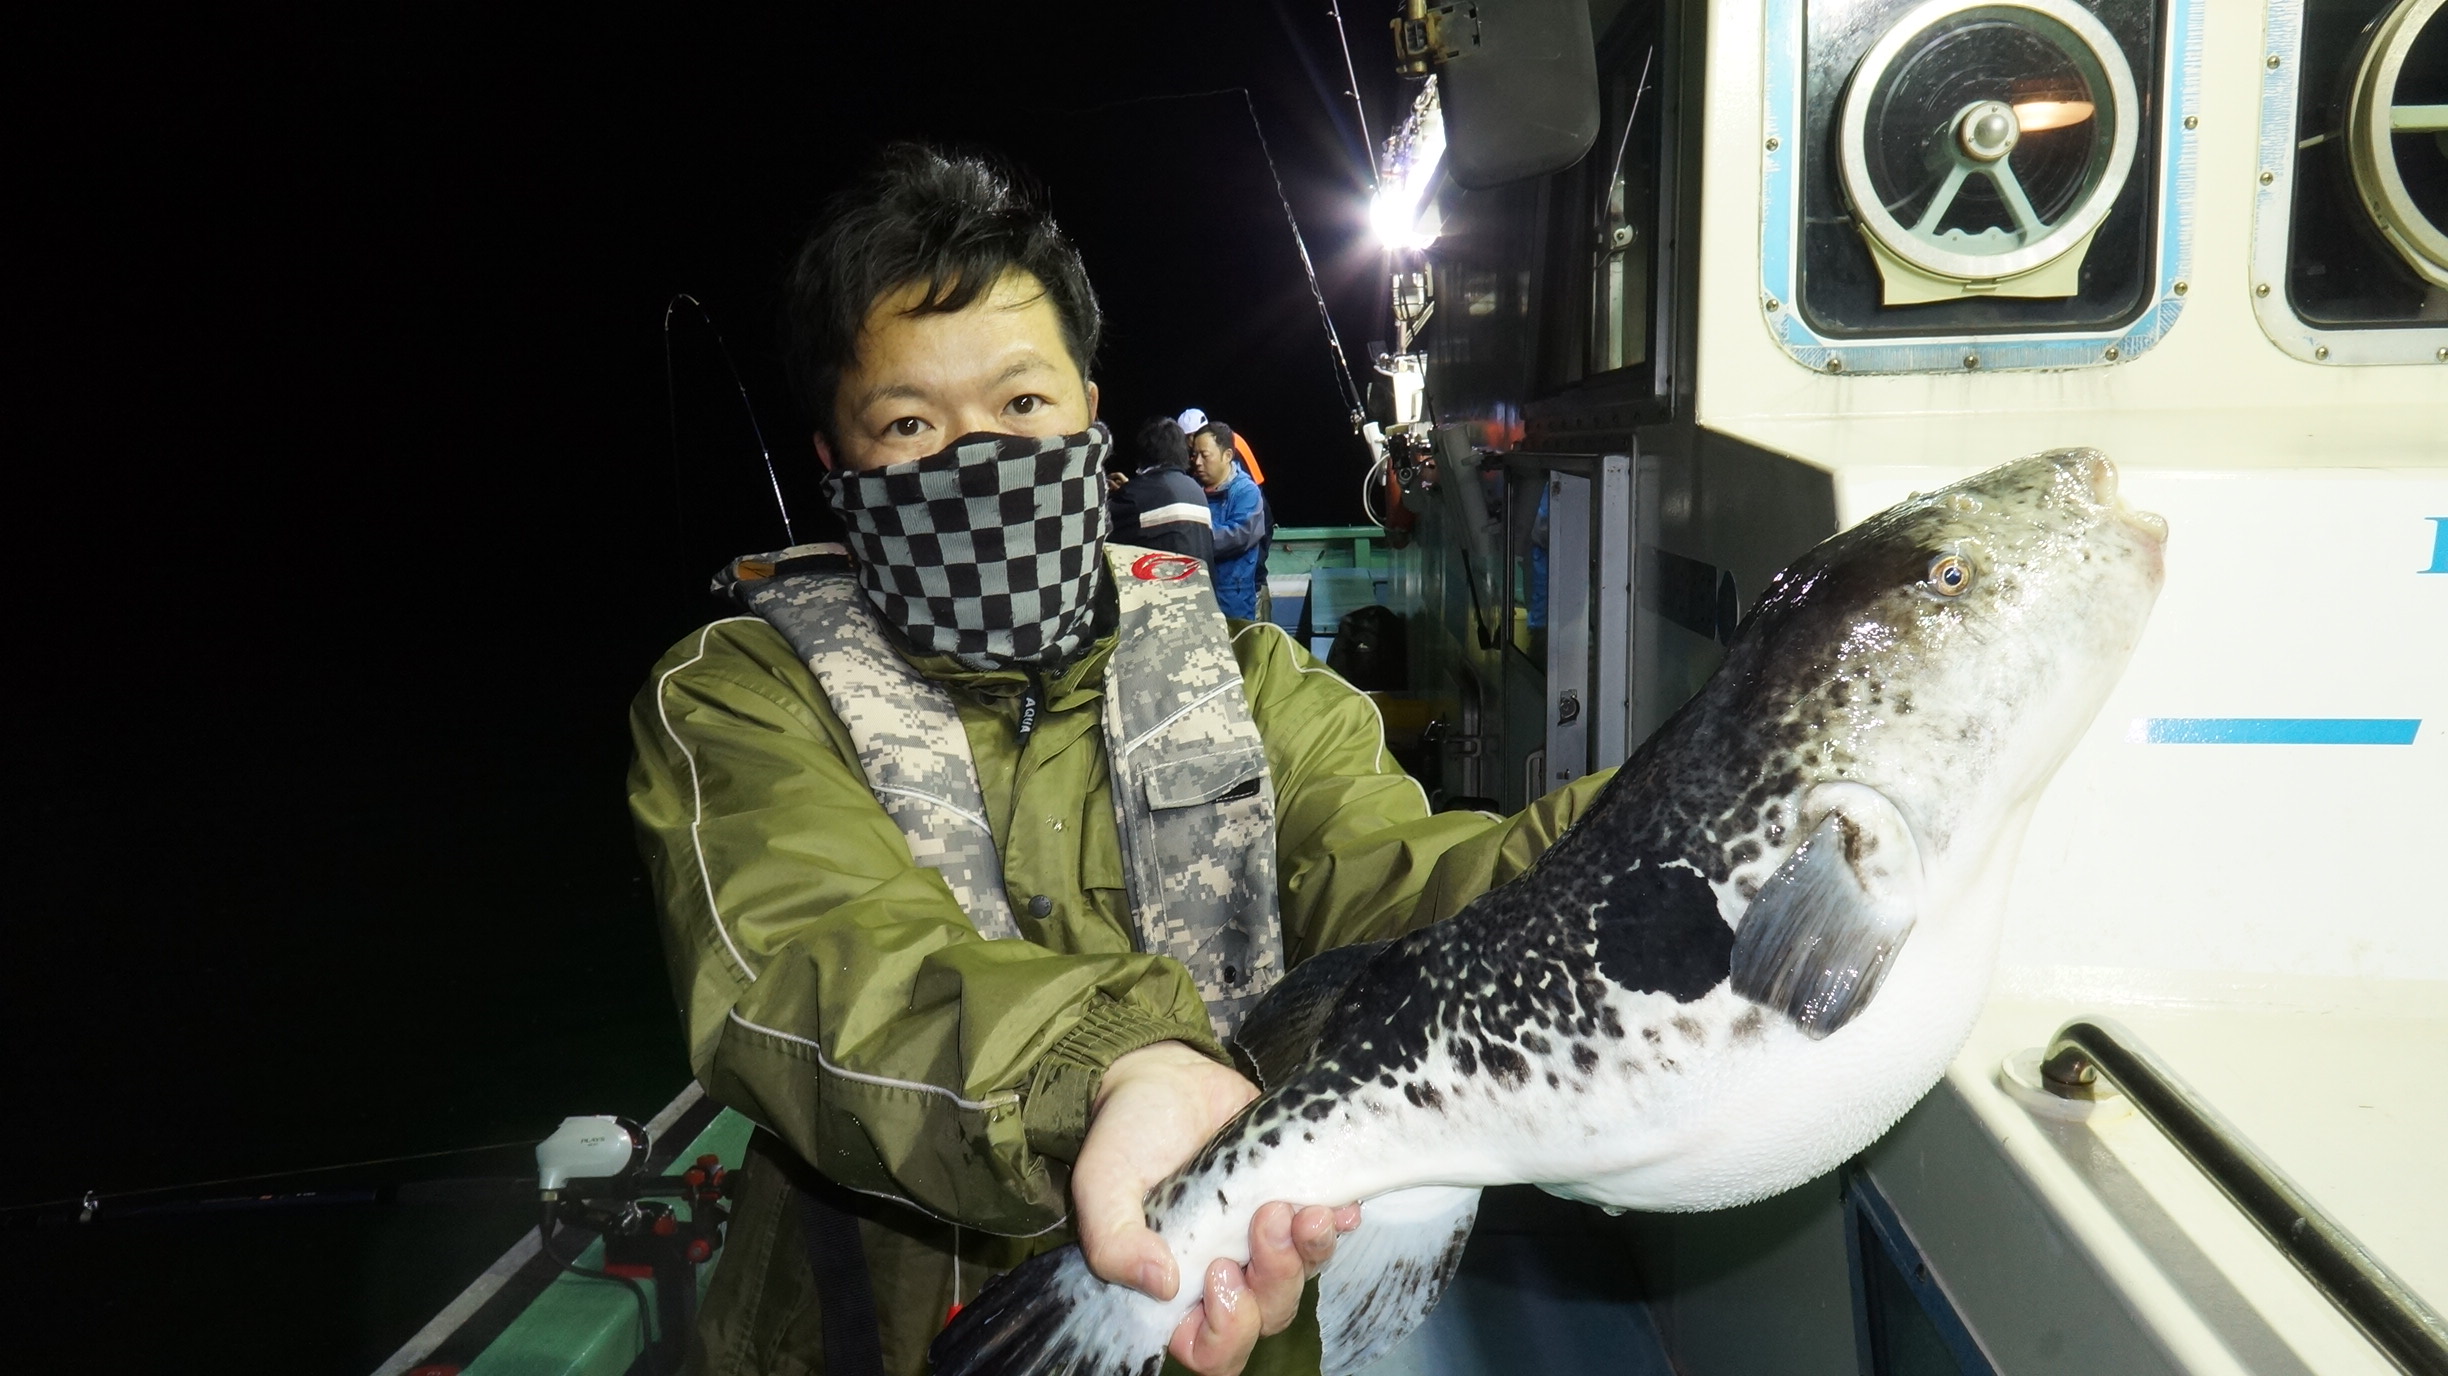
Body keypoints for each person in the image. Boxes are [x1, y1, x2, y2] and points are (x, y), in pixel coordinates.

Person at [626, 144, 1606, 1376]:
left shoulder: (1254, 680)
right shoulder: (741, 693)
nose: (976, 456)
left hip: (1227, 1320)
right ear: (836, 462)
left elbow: (1401, 878)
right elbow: (818, 959)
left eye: (1021, 404)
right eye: (910, 423)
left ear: (1088, 412)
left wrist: (1653, 837)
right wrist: (1107, 1070)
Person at [1189, 421, 1268, 621]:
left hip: (1233, 602)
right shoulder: (1191, 488)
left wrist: (1189, 537)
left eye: (1205, 455)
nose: (1197, 462)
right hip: (1196, 598)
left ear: (1227, 455)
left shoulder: (1246, 492)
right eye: (1194, 455)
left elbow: (1237, 535)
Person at [1107, 417, 1214, 562]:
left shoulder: (1138, 494)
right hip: (1202, 577)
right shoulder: (1197, 491)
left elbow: (1101, 527)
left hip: (1167, 577)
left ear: (1144, 449)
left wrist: (1117, 493)